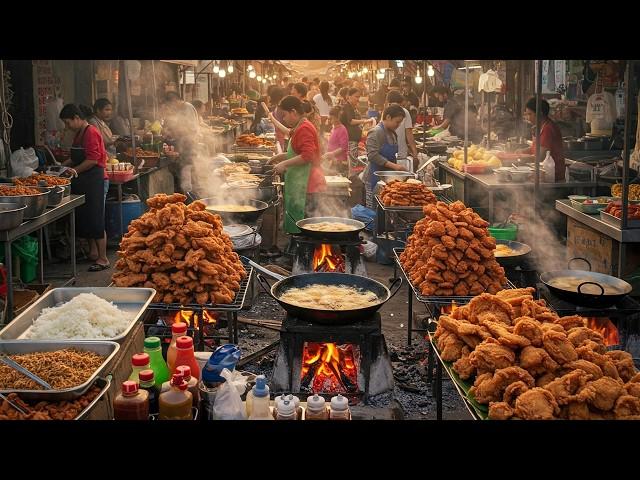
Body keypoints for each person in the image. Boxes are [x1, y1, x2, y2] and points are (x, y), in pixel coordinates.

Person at [59, 104, 110, 271]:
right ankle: (93, 253)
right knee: (86, 218)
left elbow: (93, 159)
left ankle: (103, 259)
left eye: (67, 122)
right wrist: (59, 167)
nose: (67, 127)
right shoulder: (79, 133)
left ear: (76, 118)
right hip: (84, 181)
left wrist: (73, 170)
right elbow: (76, 157)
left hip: (95, 180)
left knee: (95, 219)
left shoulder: (91, 132)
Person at [267, 96, 326, 233]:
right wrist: (279, 157)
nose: (284, 119)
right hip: (302, 182)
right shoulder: (299, 126)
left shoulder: (304, 128)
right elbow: (296, 152)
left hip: (309, 184)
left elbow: (307, 155)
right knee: (301, 224)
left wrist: (284, 164)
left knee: (307, 227)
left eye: (285, 115)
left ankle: (305, 253)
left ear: (293, 112)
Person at [364, 104, 408, 208]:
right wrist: (395, 166)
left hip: (388, 179)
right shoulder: (376, 132)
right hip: (373, 178)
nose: (398, 125)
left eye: (400, 123)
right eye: (397, 122)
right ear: (388, 117)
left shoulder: (392, 133)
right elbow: (372, 155)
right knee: (374, 210)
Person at [519, 97, 565, 182]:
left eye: (530, 114)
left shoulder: (548, 128)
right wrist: (521, 152)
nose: (528, 118)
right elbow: (534, 149)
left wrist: (521, 158)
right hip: (543, 173)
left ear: (539, 114)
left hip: (552, 175)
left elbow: (540, 156)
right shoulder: (541, 127)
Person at [340, 88, 376, 173]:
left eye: (359, 97)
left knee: (353, 162)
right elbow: (351, 121)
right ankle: (353, 181)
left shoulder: (352, 107)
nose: (358, 99)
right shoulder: (347, 107)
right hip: (350, 139)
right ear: (349, 97)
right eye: (356, 97)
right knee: (352, 164)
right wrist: (365, 121)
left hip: (353, 139)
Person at [386, 91, 418, 163]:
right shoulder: (404, 112)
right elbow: (409, 134)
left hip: (389, 154)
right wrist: (415, 153)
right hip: (400, 154)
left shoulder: (386, 112)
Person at [323, 105, 349, 175]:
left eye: (331, 118)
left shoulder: (342, 129)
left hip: (339, 162)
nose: (330, 120)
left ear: (338, 118)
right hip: (333, 161)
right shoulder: (334, 128)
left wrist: (332, 153)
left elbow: (343, 147)